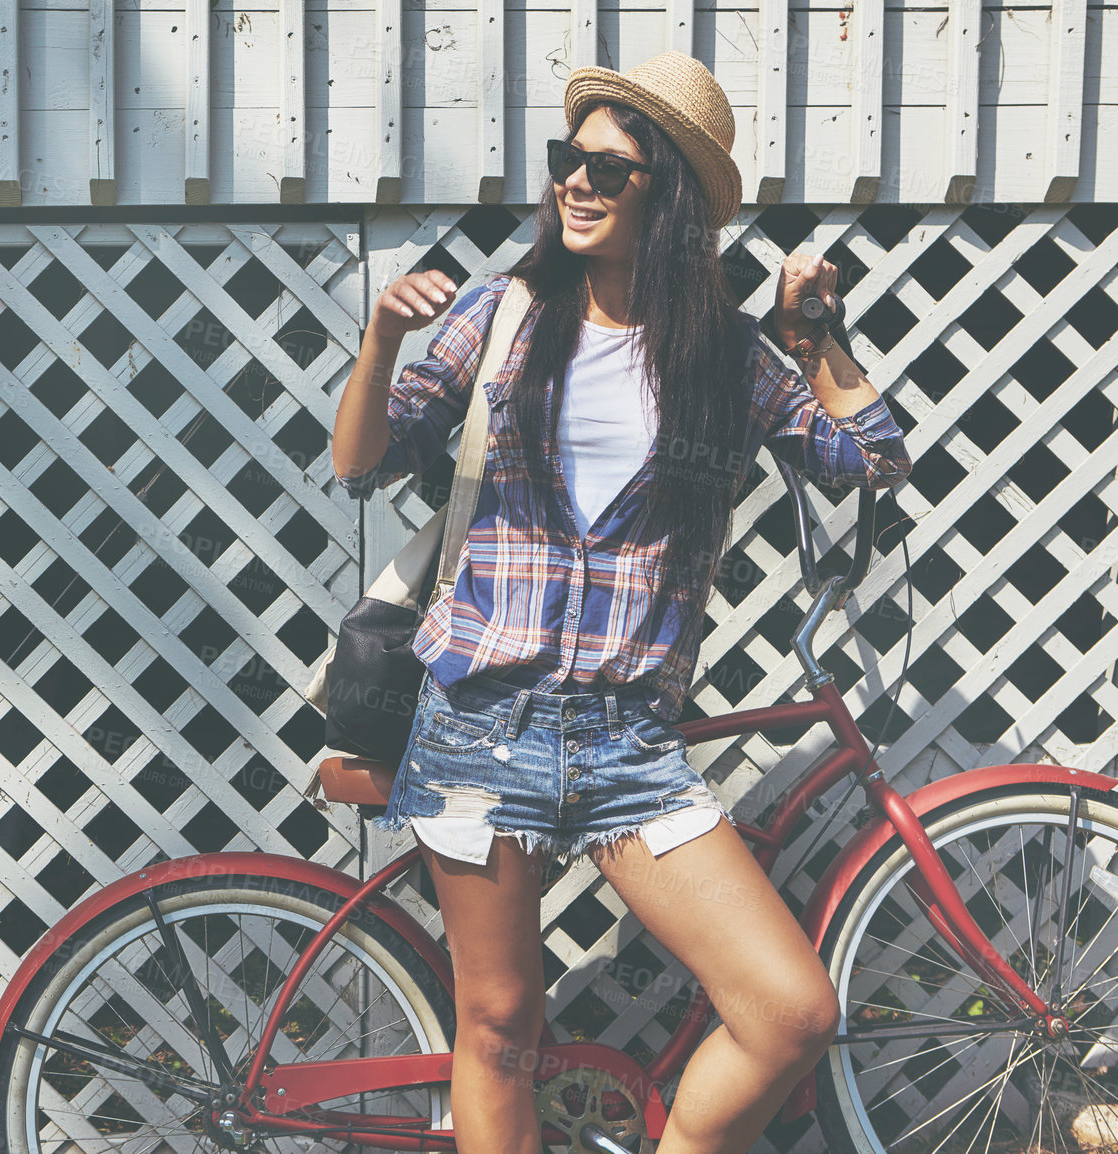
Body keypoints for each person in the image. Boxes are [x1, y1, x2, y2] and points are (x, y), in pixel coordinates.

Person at [328, 51, 912, 1154]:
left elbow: (870, 459)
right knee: (499, 1026)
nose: (576, 182)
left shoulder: (723, 355)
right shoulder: (506, 315)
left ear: (671, 197)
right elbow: (359, 464)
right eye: (567, 159)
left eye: (610, 165)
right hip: (478, 721)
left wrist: (816, 329)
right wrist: (379, 342)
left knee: (789, 1011)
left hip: (625, 743)